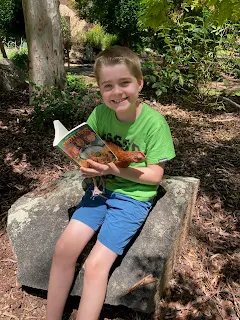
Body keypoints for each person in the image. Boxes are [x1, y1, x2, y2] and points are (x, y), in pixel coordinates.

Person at [46, 46, 175, 320]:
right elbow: (90, 151)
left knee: (95, 266)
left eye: (124, 83)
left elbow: (155, 175)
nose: (117, 93)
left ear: (139, 82)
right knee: (64, 249)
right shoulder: (100, 115)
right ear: (100, 90)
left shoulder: (155, 124)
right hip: (100, 189)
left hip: (133, 198)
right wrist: (88, 167)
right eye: (108, 86)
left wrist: (114, 168)